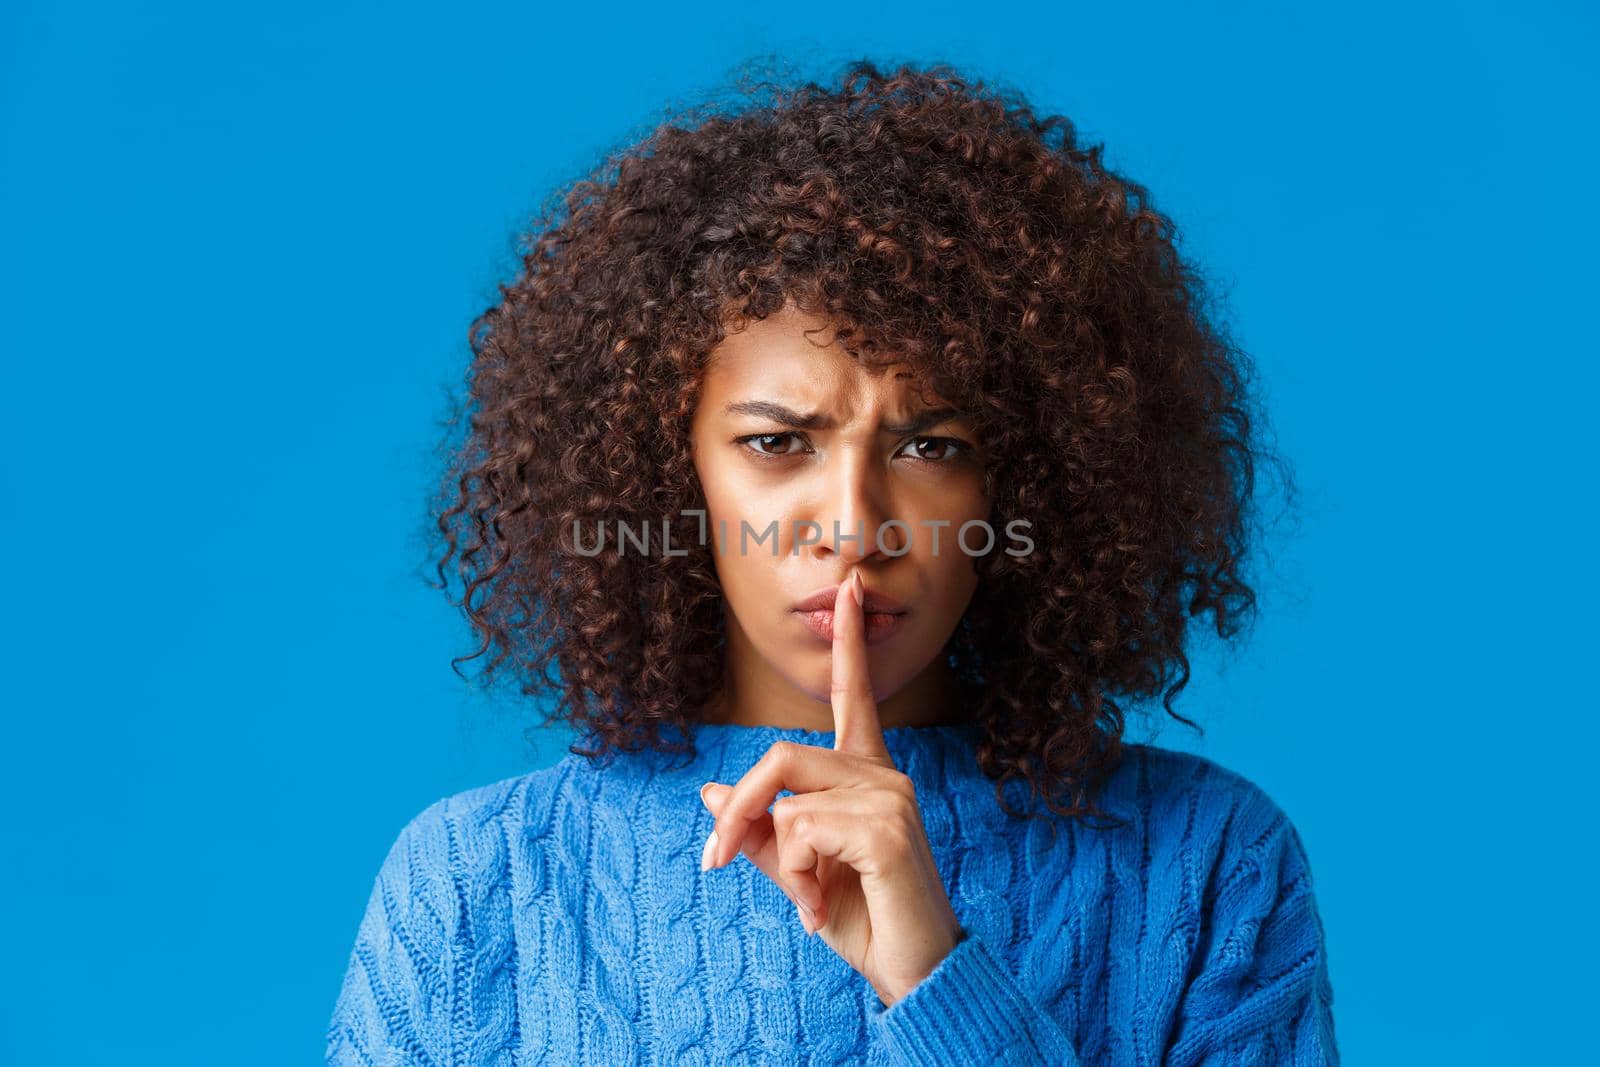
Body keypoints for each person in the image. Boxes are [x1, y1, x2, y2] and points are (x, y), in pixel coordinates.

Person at [326, 58, 1338, 1065]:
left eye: (930, 446)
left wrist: (936, 973)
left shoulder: (1209, 860)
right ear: (667, 478)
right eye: (776, 443)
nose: (854, 525)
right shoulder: (473, 882)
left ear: (1025, 484)